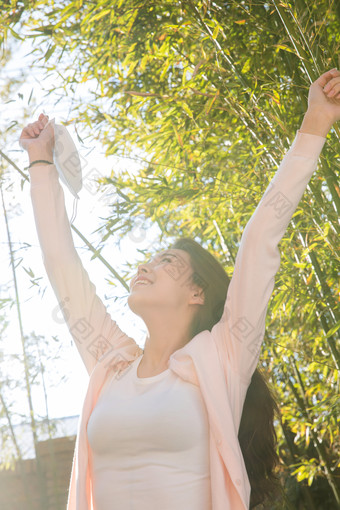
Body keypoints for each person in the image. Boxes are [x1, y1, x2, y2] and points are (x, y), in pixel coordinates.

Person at [19, 69, 340, 510]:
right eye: (149, 260)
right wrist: (40, 162)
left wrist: (316, 122)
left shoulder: (223, 357)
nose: (144, 267)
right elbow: (61, 266)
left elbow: (260, 235)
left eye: (166, 262)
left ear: (198, 294)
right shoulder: (108, 364)